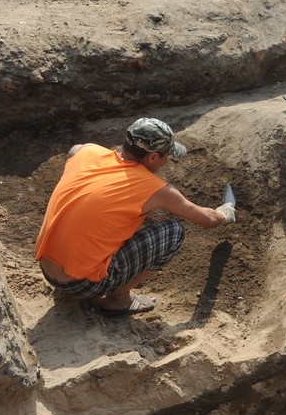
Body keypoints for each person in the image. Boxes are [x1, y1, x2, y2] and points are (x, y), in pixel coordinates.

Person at [34, 118, 237, 317]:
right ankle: (118, 299)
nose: (167, 161)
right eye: (166, 155)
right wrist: (225, 212)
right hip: (82, 285)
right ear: (153, 157)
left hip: (46, 267)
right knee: (173, 232)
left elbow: (74, 149)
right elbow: (207, 219)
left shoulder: (87, 151)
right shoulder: (157, 189)